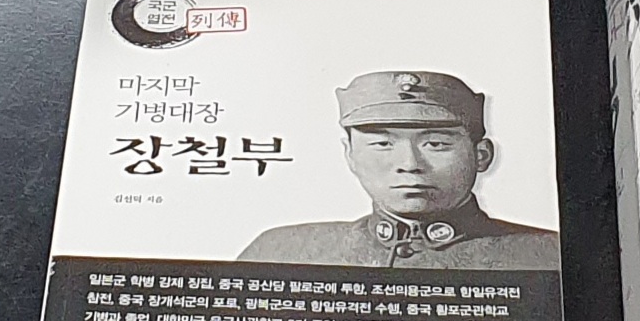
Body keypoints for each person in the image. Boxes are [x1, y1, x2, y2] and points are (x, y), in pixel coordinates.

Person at [238, 71, 559, 270]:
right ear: (350, 155)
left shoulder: (548, 257)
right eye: (382, 144)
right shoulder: (282, 252)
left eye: (435, 144)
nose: (410, 163)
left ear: (481, 155)